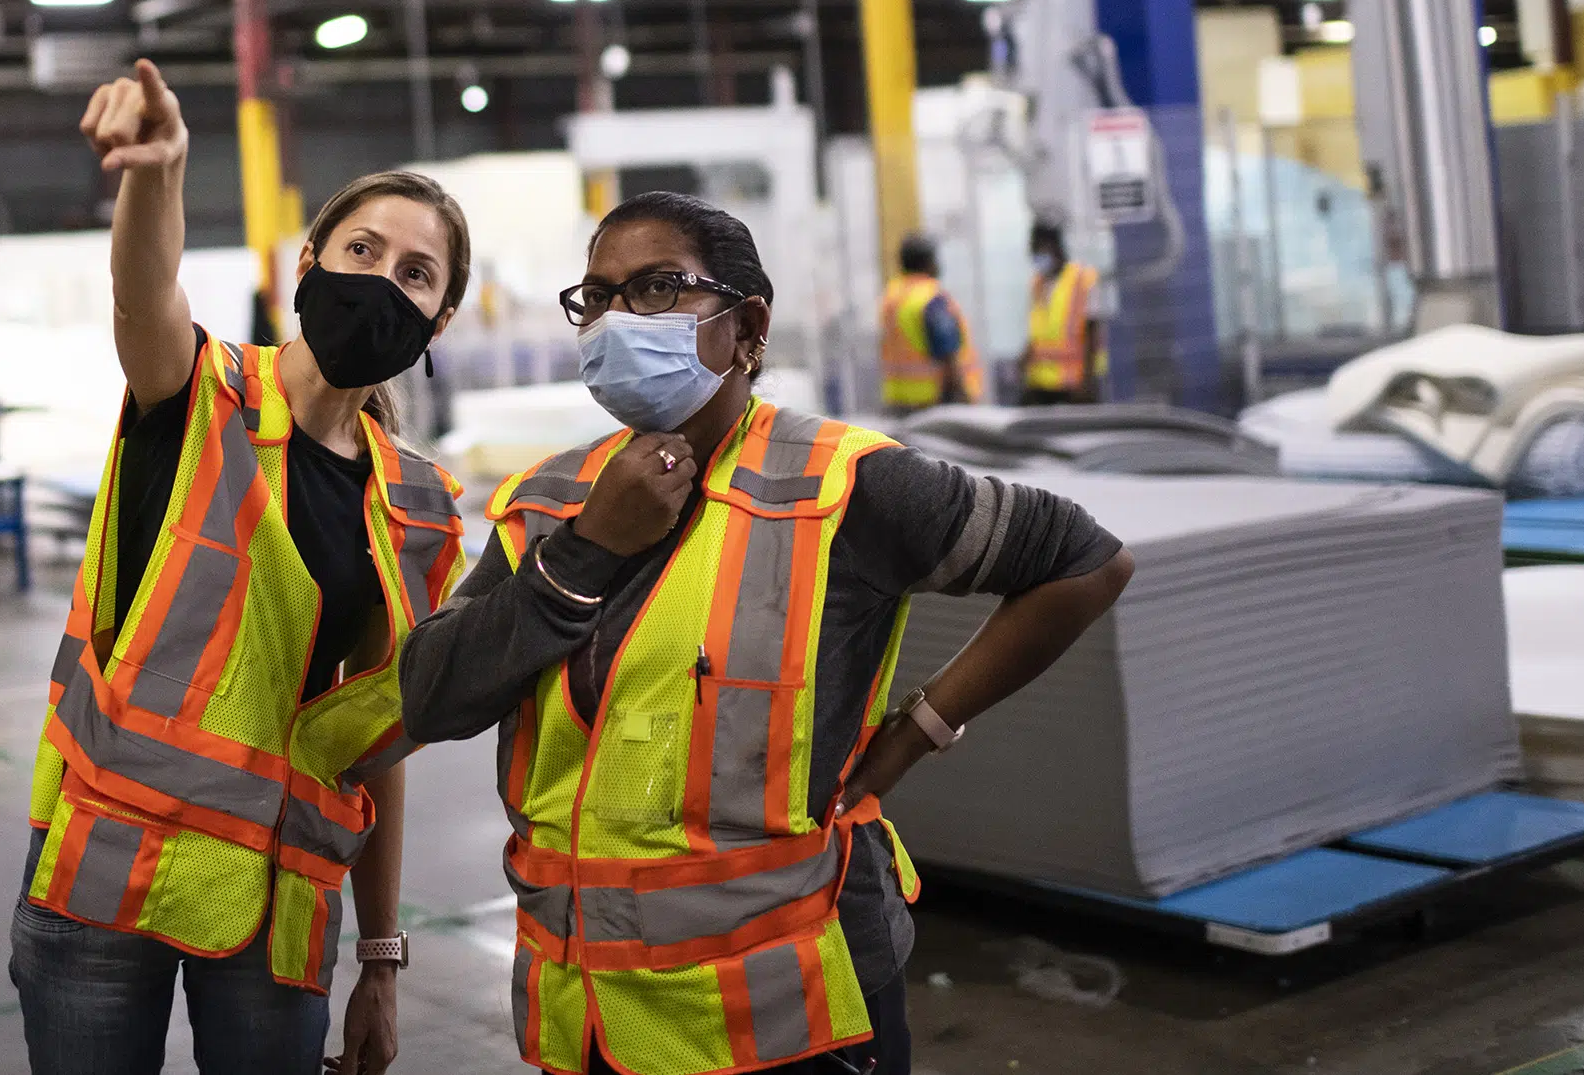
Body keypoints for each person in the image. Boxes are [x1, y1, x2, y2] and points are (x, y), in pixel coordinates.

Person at [400, 191, 1133, 1075]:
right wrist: (587, 549)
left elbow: (1087, 561)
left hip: (792, 1020)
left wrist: (917, 731)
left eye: (658, 287)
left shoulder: (845, 488)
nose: (617, 318)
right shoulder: (552, 501)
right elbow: (432, 695)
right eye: (596, 296)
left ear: (748, 327)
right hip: (589, 1018)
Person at [14, 59, 472, 1075]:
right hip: (105, 878)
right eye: (363, 247)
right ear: (307, 259)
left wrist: (384, 956)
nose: (381, 277)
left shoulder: (421, 507)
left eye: (414, 271)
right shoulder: (200, 388)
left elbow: (375, 742)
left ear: (437, 325)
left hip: (280, 900)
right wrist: (160, 171)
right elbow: (144, 289)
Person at [877, 234, 984, 410]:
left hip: (898, 400)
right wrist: (962, 394)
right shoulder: (930, 298)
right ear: (927, 262)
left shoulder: (892, 296)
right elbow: (947, 351)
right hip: (934, 401)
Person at [1020, 220, 1104, 405]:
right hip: (1041, 383)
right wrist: (1025, 357)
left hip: (1075, 385)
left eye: (1036, 248)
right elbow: (1039, 331)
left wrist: (1086, 381)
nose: (1033, 254)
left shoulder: (1083, 280)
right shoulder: (1038, 283)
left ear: (1052, 247)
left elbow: (1093, 332)